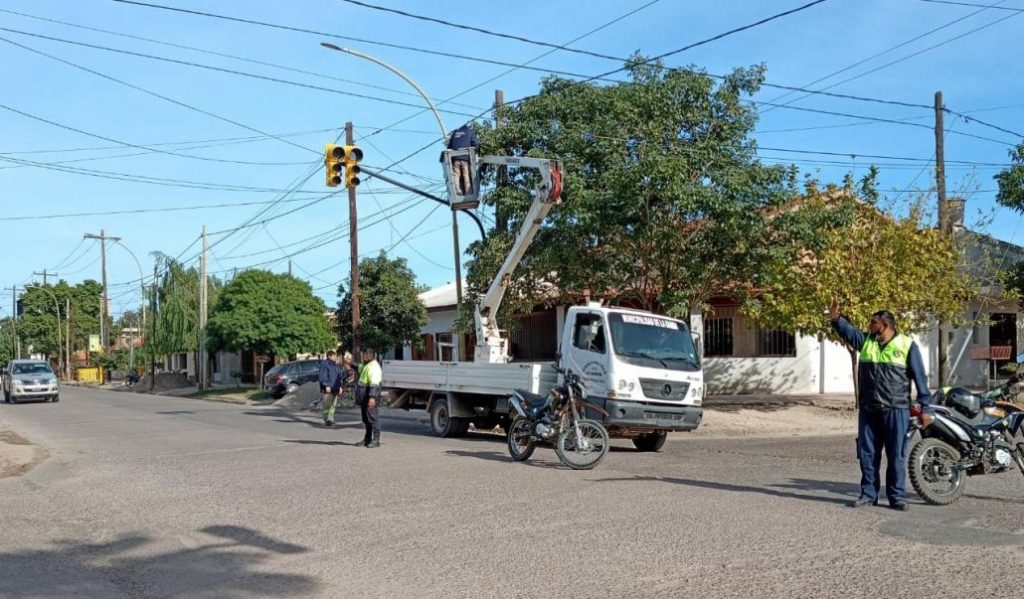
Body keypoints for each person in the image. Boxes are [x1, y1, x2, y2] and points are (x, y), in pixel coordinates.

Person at [830, 303, 932, 511]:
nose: (869, 326)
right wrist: (836, 319)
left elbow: (920, 379)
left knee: (896, 455)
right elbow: (849, 332)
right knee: (867, 454)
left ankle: (896, 497)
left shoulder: (906, 345)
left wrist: (926, 408)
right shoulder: (867, 342)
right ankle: (868, 494)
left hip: (897, 409)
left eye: (873, 322)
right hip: (869, 410)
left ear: (884, 325)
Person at [356, 348, 383, 448]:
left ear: (369, 355)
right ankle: (367, 439)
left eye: (364, 355)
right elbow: (359, 368)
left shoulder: (374, 367)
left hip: (370, 397)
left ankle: (376, 440)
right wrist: (350, 364)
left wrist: (372, 398)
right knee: (367, 420)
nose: (362, 357)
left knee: (373, 419)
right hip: (364, 397)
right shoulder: (367, 365)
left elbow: (374, 384)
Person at [446, 123, 480, 196]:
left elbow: (449, 147)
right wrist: (476, 151)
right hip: (465, 158)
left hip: (455, 159)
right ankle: (468, 191)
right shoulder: (470, 132)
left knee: (456, 175)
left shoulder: (455, 133)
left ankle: (457, 191)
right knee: (466, 174)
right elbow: (476, 144)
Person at [319, 351, 342, 426]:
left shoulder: (335, 365)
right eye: (334, 356)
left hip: (335, 388)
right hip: (328, 388)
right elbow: (323, 376)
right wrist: (326, 386)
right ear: (329, 356)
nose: (335, 357)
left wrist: (340, 387)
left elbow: (338, 377)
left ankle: (331, 418)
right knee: (327, 405)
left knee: (333, 405)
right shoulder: (325, 364)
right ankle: (327, 419)